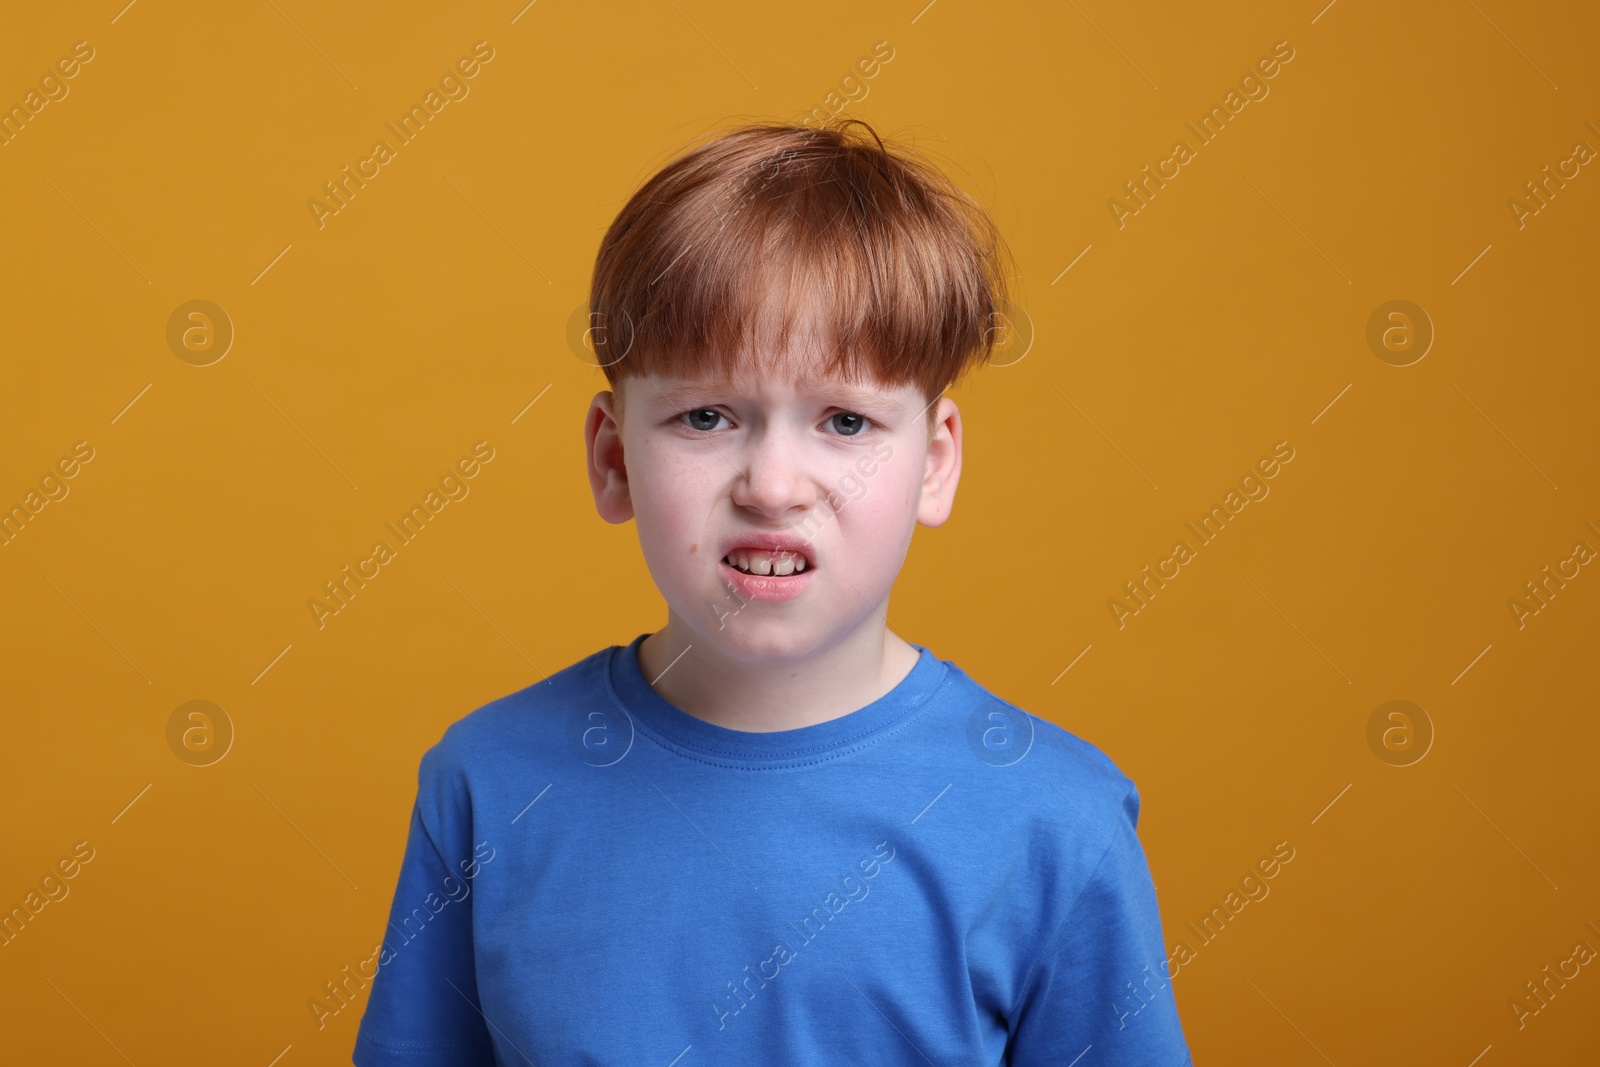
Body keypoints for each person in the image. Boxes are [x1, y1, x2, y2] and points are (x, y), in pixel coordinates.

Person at [352, 117, 1191, 1066]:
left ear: (935, 463)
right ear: (613, 456)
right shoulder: (488, 782)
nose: (774, 483)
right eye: (707, 416)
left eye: (844, 419)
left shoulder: (1055, 823)